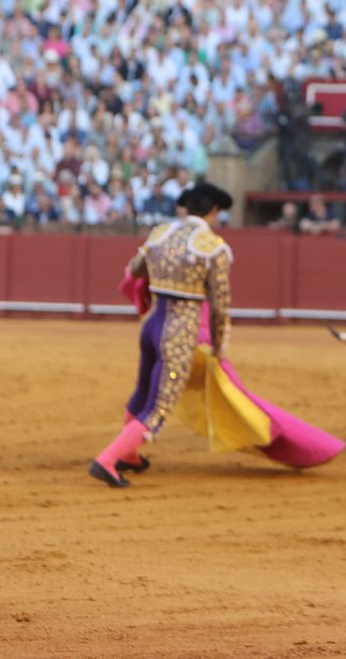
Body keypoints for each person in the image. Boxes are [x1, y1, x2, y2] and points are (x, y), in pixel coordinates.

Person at [88, 182, 237, 487]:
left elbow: (135, 269)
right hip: (180, 332)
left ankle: (129, 456)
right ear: (212, 211)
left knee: (143, 392)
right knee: (159, 406)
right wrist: (220, 347)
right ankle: (107, 460)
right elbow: (220, 308)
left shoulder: (160, 233)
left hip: (153, 325)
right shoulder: (214, 248)